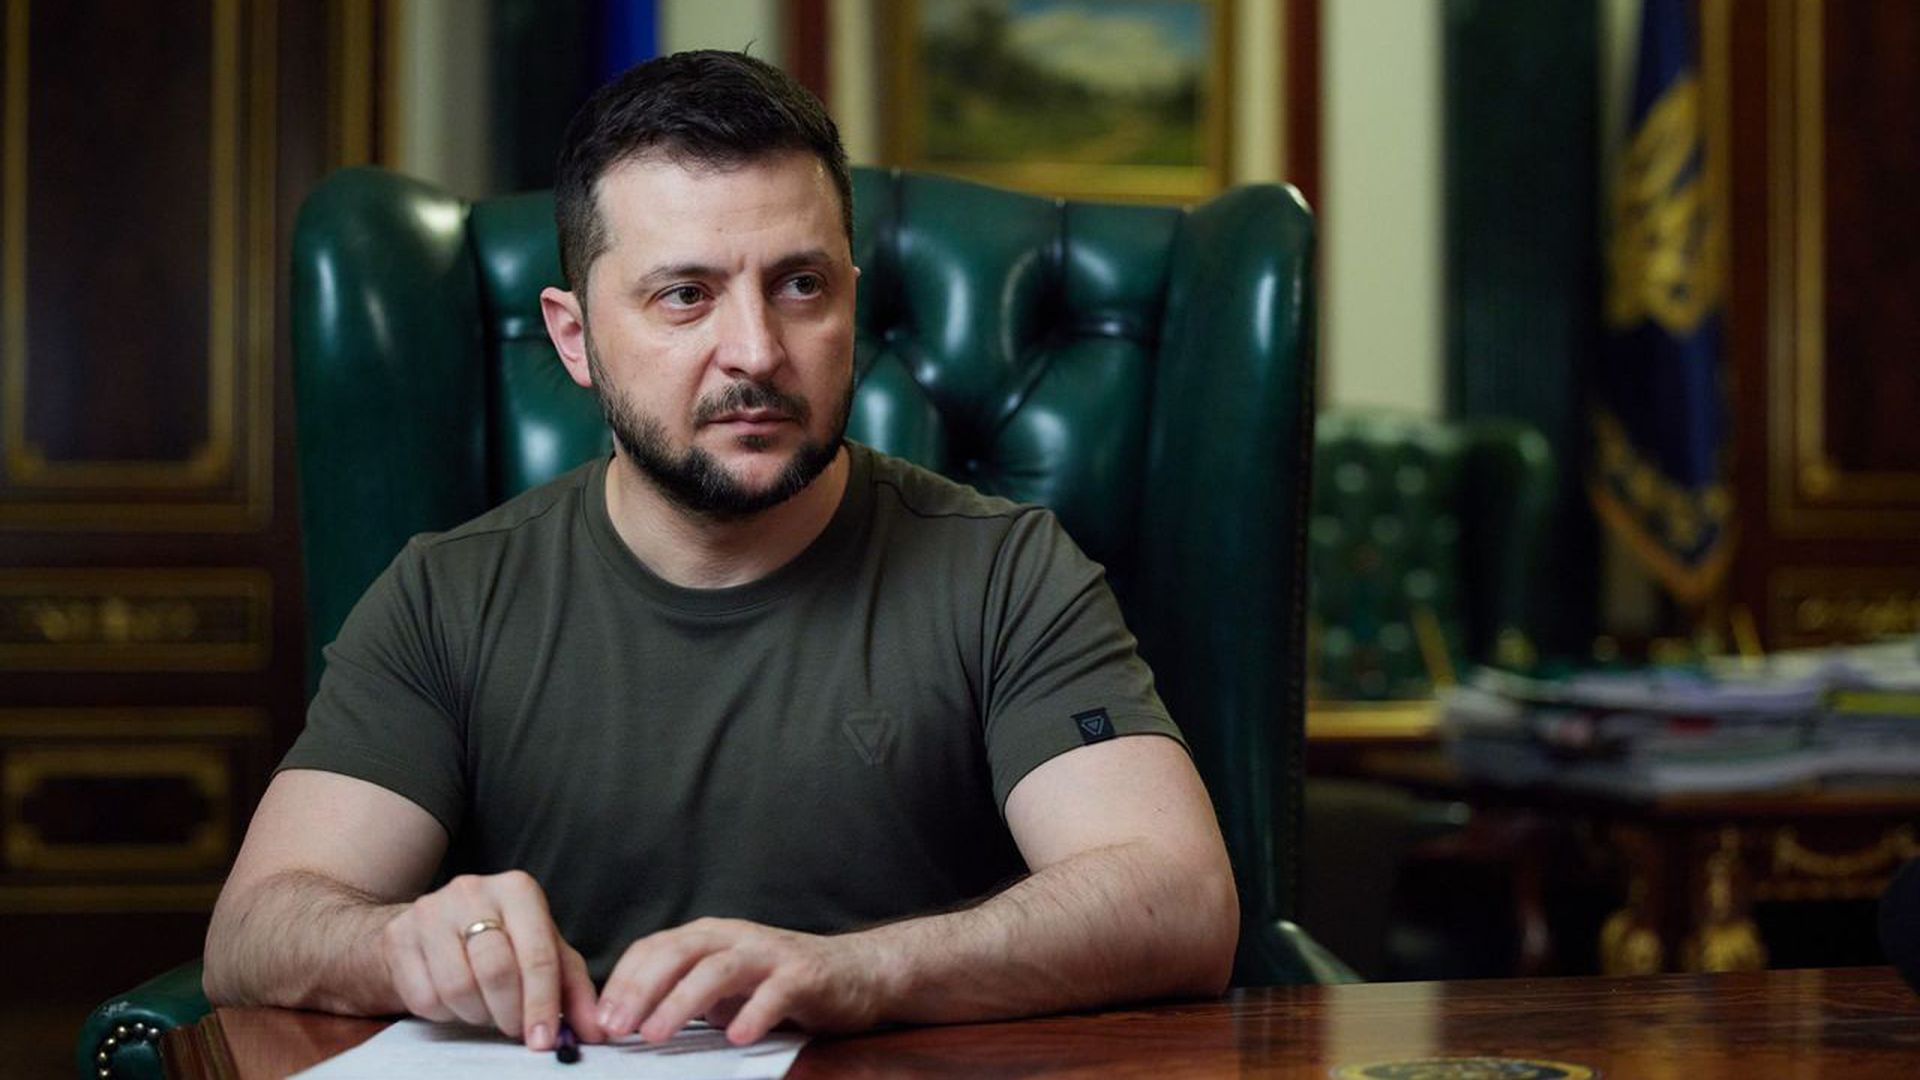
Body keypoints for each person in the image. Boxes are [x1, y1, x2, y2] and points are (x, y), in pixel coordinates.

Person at [201, 50, 1238, 1052]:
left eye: (800, 286)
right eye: (684, 295)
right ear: (574, 338)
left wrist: (863, 973)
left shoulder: (1008, 573)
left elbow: (1180, 899)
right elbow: (254, 930)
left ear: (852, 298)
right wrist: (398, 946)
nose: (756, 350)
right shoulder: (445, 596)